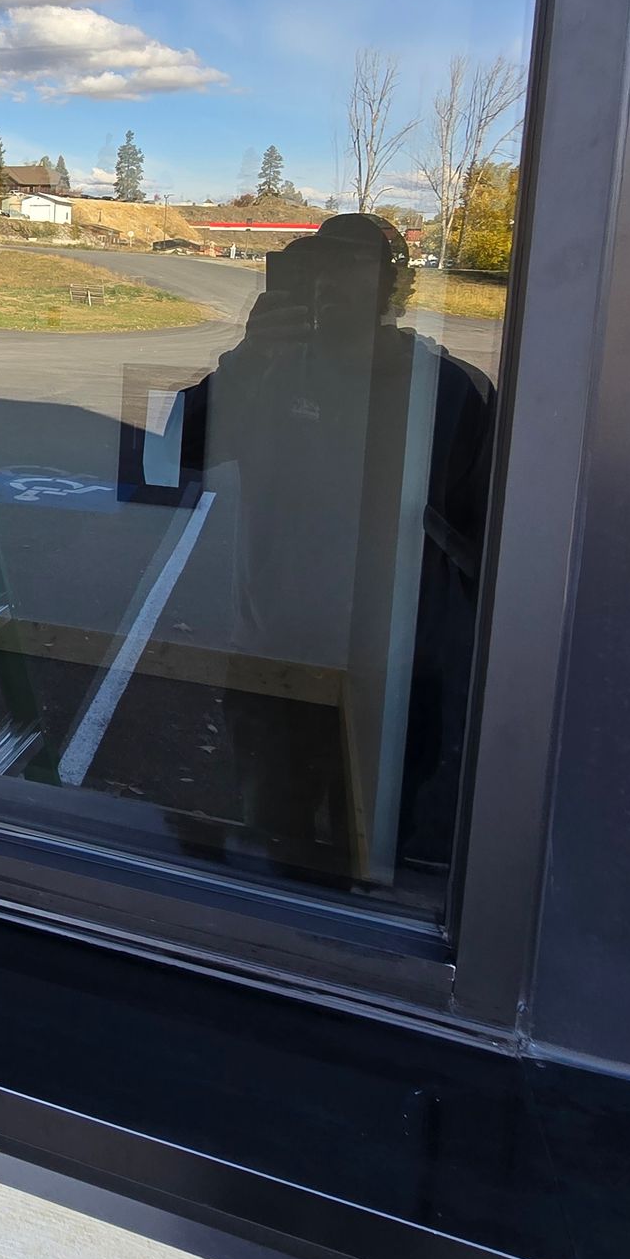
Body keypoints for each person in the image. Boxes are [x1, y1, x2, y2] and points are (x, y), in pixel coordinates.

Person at [197, 214, 493, 886]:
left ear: (395, 285)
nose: (329, 284)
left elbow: (488, 549)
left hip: (399, 676)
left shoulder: (451, 392)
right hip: (278, 664)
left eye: (353, 268)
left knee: (384, 857)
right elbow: (169, 456)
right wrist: (244, 362)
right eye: (315, 269)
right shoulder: (266, 372)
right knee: (276, 854)